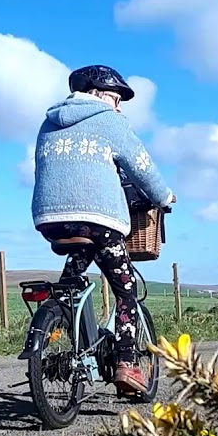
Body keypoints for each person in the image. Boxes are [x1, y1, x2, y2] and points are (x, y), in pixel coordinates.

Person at [29, 64, 176, 394]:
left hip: (51, 218)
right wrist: (164, 197)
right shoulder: (110, 121)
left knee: (71, 284)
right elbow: (142, 167)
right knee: (125, 290)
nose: (119, 105)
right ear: (94, 94)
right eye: (115, 97)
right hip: (99, 221)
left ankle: (64, 330)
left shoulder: (48, 122)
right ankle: (127, 365)